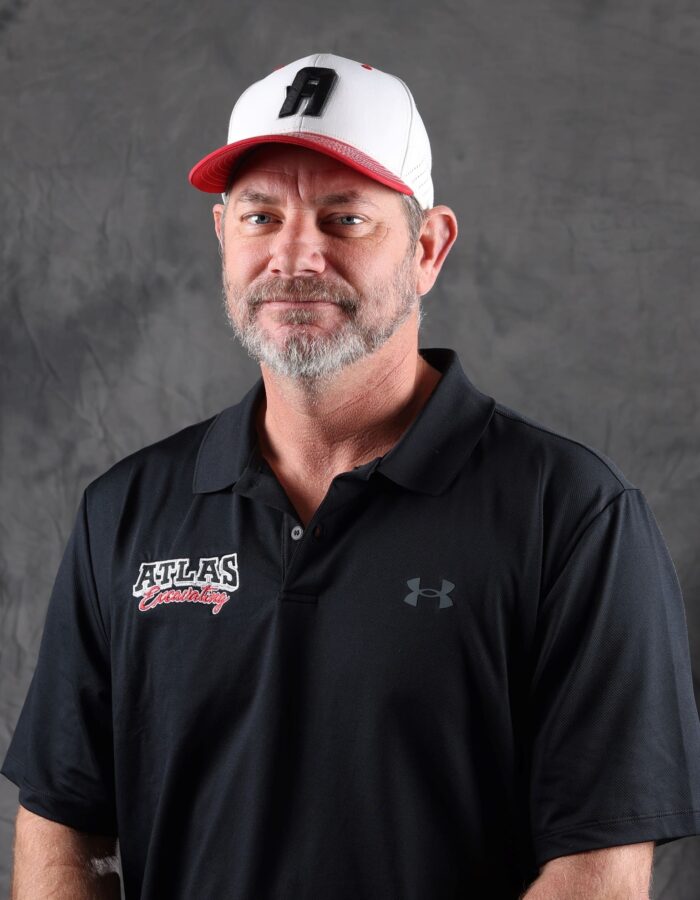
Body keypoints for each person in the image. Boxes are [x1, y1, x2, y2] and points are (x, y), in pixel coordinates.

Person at [3, 52, 700, 900]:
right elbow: (65, 821)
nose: (296, 256)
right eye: (262, 217)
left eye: (345, 219)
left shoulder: (572, 515)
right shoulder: (127, 510)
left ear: (428, 247)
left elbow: (599, 870)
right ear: (223, 235)